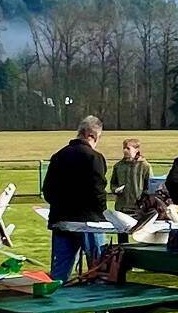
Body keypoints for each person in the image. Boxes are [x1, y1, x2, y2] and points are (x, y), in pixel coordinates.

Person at [42, 116, 108, 283]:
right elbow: (98, 190)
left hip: (61, 219)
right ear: (91, 136)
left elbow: (48, 191)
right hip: (89, 221)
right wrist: (102, 212)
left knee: (59, 273)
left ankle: (53, 306)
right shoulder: (94, 157)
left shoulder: (58, 156)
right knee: (97, 268)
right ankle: (101, 306)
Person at [109, 138, 152, 217]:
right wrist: (115, 189)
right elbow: (113, 183)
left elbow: (150, 186)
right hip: (122, 207)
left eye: (128, 148)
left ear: (136, 150)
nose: (125, 150)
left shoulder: (144, 166)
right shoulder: (118, 166)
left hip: (138, 207)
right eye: (124, 148)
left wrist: (143, 202)